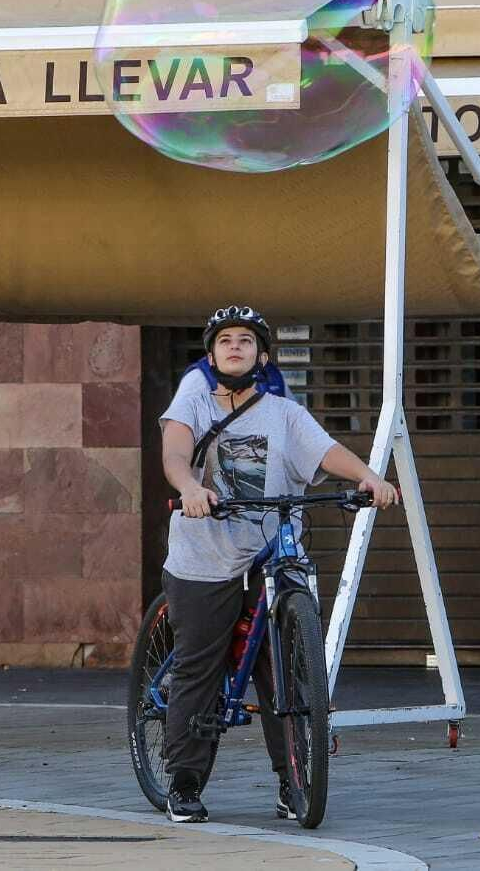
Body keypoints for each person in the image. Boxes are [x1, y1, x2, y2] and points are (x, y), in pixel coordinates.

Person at [158, 303, 397, 824]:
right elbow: (175, 452)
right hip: (206, 559)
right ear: (212, 353)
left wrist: (368, 478)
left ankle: (294, 782)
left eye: (246, 340)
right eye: (226, 341)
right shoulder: (195, 400)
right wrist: (191, 487)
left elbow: (328, 452)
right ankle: (184, 780)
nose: (236, 347)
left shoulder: (284, 414)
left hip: (268, 553)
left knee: (285, 674)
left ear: (263, 354)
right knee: (200, 665)